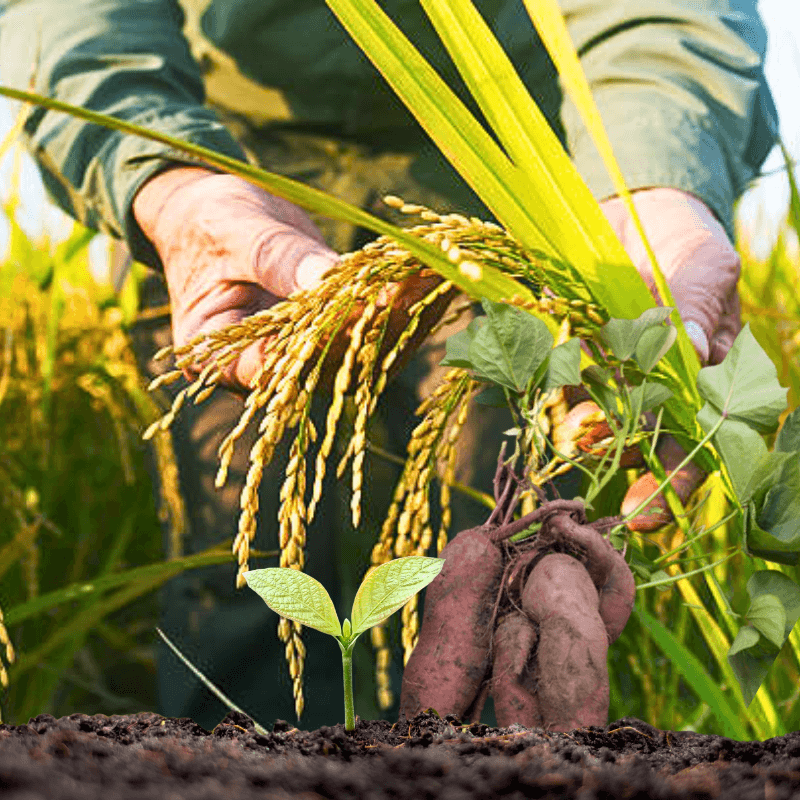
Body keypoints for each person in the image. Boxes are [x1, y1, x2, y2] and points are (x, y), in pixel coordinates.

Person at [0, 0, 777, 730]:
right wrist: (164, 173)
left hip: (509, 179)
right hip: (227, 165)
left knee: (486, 572)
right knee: (245, 573)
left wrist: (657, 185)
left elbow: (661, 16)